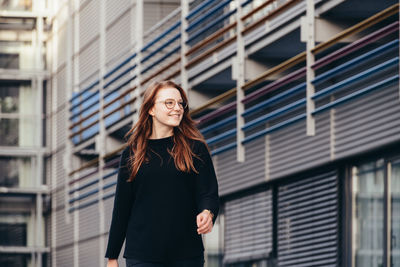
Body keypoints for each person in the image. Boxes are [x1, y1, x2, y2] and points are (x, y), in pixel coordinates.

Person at [105, 80, 219, 267]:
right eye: (169, 103)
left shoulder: (195, 148)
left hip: (186, 255)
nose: (177, 108)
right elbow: (122, 208)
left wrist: (208, 212)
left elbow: (208, 193)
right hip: (142, 256)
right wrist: (112, 257)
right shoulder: (132, 153)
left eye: (180, 103)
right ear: (151, 109)